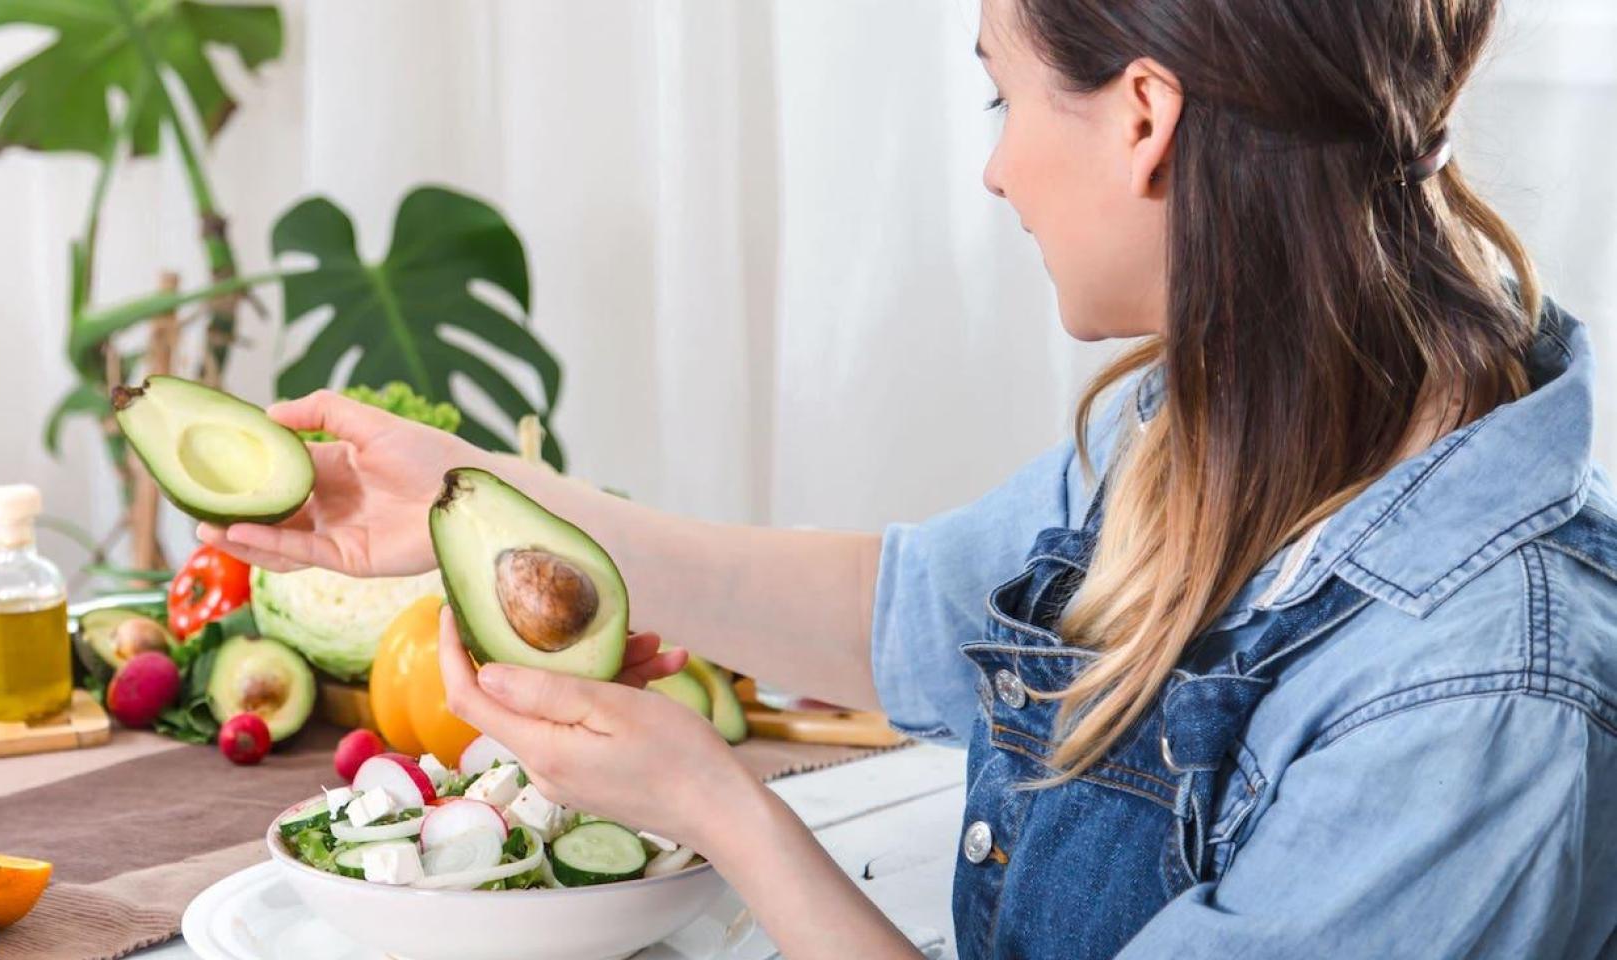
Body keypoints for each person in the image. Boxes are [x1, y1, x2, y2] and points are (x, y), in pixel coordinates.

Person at [199, 0, 1617, 955]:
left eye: (999, 98)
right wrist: (483, 501)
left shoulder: (1480, 694)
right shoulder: (1216, 434)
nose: (996, 171)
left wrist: (724, 813)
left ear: (1142, 117)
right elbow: (909, 613)